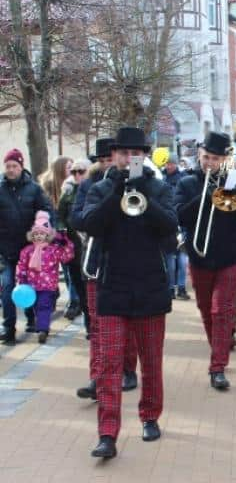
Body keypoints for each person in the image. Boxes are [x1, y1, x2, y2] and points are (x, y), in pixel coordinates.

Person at [83, 127, 178, 459]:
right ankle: (107, 433)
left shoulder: (160, 189)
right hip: (113, 288)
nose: (128, 159)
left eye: (135, 154)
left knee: (151, 362)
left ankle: (150, 416)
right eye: (123, 153)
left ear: (144, 155)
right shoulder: (100, 189)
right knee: (109, 364)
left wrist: (144, 197)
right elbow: (90, 224)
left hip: (151, 286)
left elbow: (169, 228)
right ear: (115, 155)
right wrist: (116, 195)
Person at [174, 132, 236, 391]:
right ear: (200, 155)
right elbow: (179, 216)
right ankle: (219, 347)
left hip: (229, 256)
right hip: (199, 256)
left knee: (220, 310)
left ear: (225, 159)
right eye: (207, 157)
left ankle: (217, 367)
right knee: (205, 309)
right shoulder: (187, 183)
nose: (210, 163)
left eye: (216, 158)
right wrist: (205, 196)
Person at [72, 138, 140, 400]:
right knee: (98, 325)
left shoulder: (138, 182)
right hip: (96, 260)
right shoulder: (90, 185)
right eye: (101, 160)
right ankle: (96, 378)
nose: (107, 164)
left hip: (126, 262)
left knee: (129, 323)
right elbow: (77, 217)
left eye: (109, 159)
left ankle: (127, 370)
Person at [0, 149, 52, 345]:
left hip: (31, 250)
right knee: (7, 289)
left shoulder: (34, 189)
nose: (11, 170)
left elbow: (46, 211)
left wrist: (42, 229)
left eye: (14, 166)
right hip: (7, 250)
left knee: (32, 287)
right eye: (8, 166)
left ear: (22, 167)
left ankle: (32, 318)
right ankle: (9, 329)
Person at [16, 211, 74, 343]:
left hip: (48, 286)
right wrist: (22, 278)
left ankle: (42, 330)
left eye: (42, 233)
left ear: (48, 235)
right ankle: (41, 324)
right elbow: (22, 265)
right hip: (31, 286)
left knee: (44, 306)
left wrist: (66, 243)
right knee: (35, 307)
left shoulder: (53, 250)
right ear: (32, 235)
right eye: (36, 234)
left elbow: (67, 257)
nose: (39, 236)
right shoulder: (28, 250)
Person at [40, 156, 79, 318]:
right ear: (60, 169)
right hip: (52, 236)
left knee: (70, 269)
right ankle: (54, 296)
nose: (72, 170)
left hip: (70, 235)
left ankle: (74, 302)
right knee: (54, 269)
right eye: (69, 167)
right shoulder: (47, 189)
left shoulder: (73, 187)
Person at [57, 159, 91, 329]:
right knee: (79, 286)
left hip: (92, 247)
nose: (77, 174)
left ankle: (93, 325)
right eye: (74, 171)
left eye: (81, 171)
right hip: (73, 247)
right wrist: (62, 234)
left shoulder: (95, 189)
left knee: (92, 289)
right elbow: (59, 216)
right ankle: (88, 323)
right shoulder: (68, 191)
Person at [162, 153, 189, 300]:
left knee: (182, 259)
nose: (169, 166)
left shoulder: (183, 179)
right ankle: (170, 288)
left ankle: (182, 287)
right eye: (167, 164)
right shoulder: (162, 179)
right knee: (170, 260)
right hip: (168, 224)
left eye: (171, 163)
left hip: (182, 223)